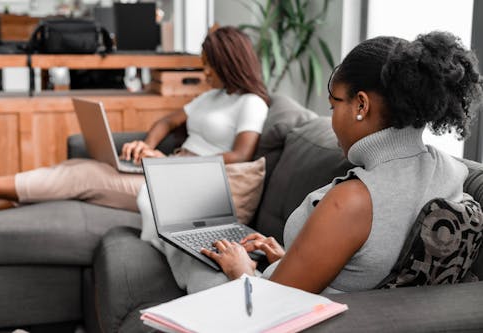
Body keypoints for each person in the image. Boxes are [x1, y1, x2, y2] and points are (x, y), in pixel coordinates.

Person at [162, 30, 482, 294]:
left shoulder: (354, 200)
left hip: (270, 306)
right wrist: (288, 260)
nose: (332, 119)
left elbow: (273, 304)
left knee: (188, 254)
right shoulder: (451, 171)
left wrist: (242, 271)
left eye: (333, 105)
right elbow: (368, 263)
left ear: (361, 105)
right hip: (307, 290)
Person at [0, 26, 269, 212]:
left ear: (229, 64)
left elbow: (240, 155)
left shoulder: (251, 103)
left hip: (190, 184)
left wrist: (174, 165)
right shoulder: (212, 96)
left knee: (85, 176)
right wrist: (146, 146)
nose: (205, 73)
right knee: (77, 165)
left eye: (210, 66)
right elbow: (167, 122)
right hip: (172, 169)